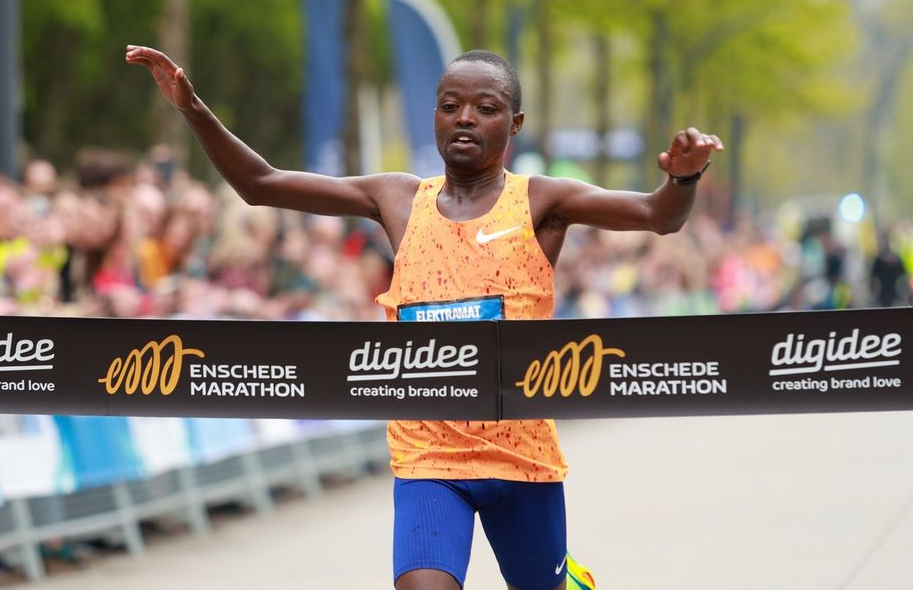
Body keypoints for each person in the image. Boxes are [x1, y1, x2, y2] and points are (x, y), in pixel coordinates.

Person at [127, 44, 722, 590]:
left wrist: (684, 177)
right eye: (449, 105)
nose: (464, 117)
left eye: (485, 108)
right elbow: (262, 185)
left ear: (513, 125)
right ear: (434, 116)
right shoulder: (397, 199)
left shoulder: (542, 200)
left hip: (521, 452)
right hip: (428, 454)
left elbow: (657, 214)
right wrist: (193, 107)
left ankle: (570, 579)